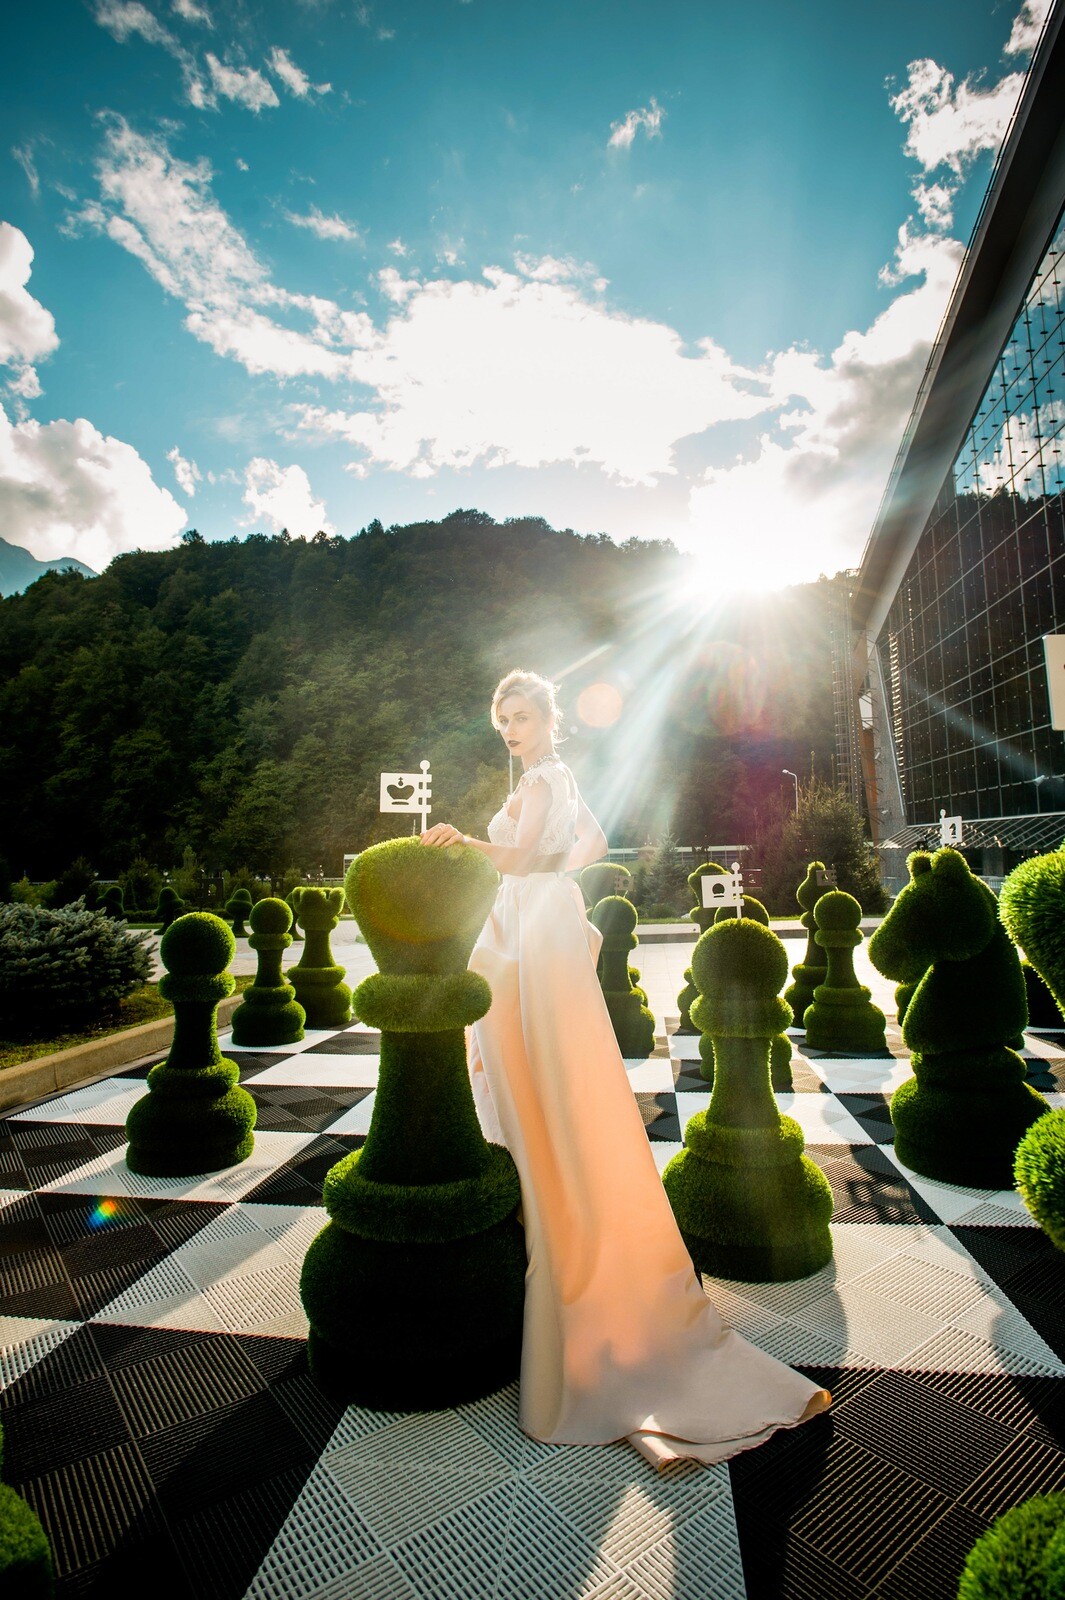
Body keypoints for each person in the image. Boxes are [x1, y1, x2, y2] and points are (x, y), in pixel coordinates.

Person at [420, 668, 831, 1470]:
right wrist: (536, 870)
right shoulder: (553, 777)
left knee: (536, 1077)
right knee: (546, 1079)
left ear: (548, 717)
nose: (509, 731)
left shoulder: (545, 777)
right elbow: (592, 845)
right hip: (536, 923)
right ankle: (556, 1200)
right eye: (502, 721)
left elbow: (532, 856)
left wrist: (467, 844)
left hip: (532, 928)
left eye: (519, 716)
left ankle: (556, 1218)